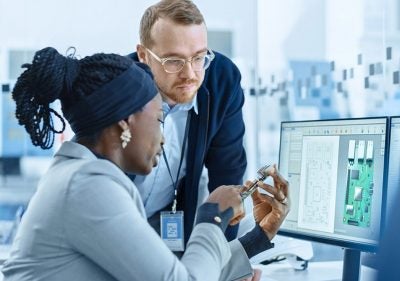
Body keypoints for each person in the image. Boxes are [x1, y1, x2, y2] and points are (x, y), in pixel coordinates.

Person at [0, 47, 290, 281]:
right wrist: (212, 216)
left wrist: (259, 237)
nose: (163, 140)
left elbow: (165, 273)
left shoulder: (86, 176)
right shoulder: (88, 187)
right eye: (159, 121)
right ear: (125, 124)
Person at [129, 0, 247, 244]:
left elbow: (227, 179)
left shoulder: (222, 80)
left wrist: (226, 263)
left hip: (167, 222)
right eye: (173, 61)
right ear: (143, 55)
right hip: (111, 220)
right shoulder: (116, 86)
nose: (190, 74)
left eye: (198, 57)